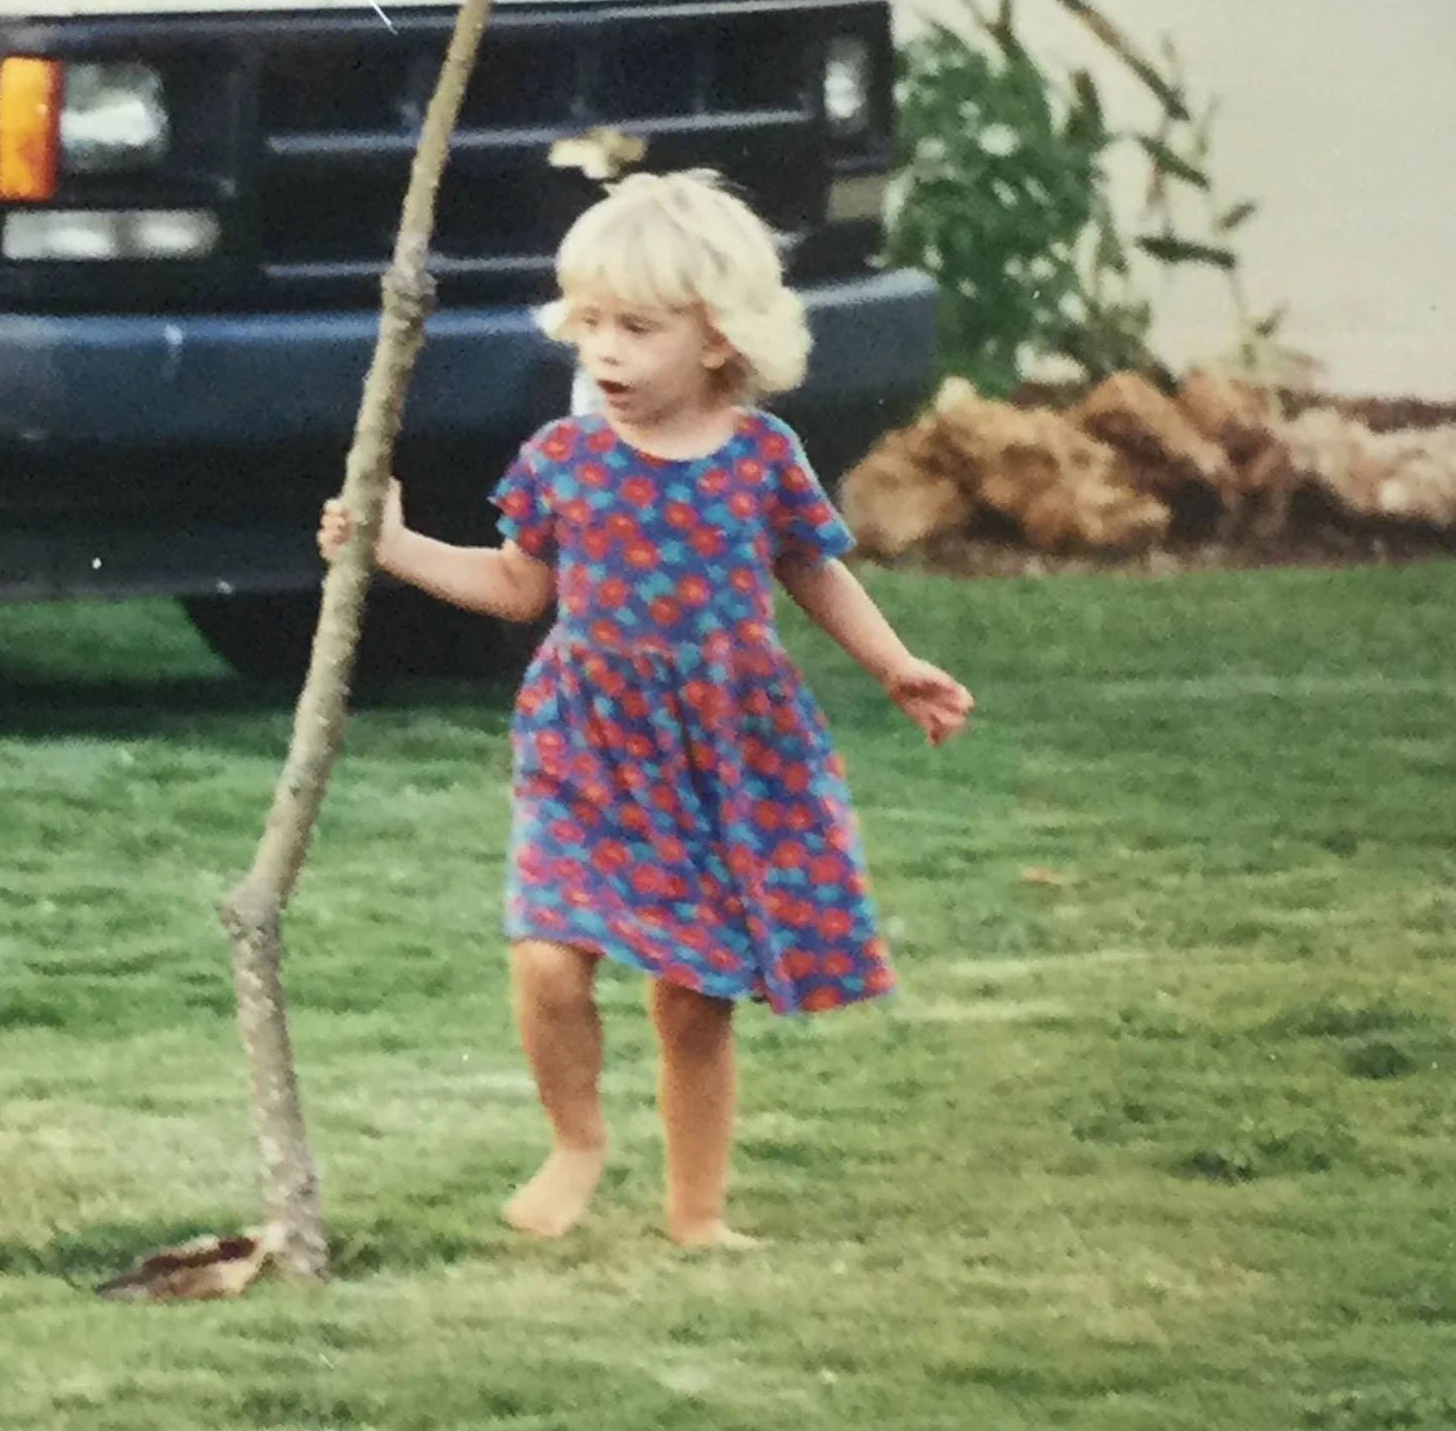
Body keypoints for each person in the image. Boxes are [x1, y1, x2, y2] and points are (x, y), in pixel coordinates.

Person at [317, 170, 973, 1248]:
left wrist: (895, 665)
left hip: (721, 750)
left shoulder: (760, 460)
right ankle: (575, 1142)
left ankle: (696, 1213)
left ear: (717, 338)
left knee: (691, 995)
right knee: (545, 954)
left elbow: (813, 571)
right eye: (588, 326)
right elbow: (518, 587)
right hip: (588, 742)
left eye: (635, 328)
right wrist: (395, 547)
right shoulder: (565, 461)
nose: (604, 354)